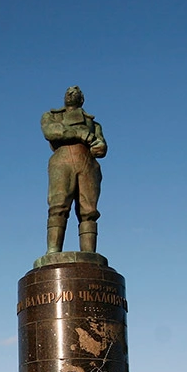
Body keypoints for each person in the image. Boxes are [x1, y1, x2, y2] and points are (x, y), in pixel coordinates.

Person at [41, 85, 108, 254]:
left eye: (75, 93)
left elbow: (101, 147)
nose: (71, 95)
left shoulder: (94, 124)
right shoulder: (52, 116)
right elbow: (51, 132)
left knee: (89, 211)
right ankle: (53, 252)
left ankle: (89, 254)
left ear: (82, 99)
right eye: (68, 93)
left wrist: (99, 146)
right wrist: (80, 133)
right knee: (58, 205)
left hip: (87, 163)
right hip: (62, 161)